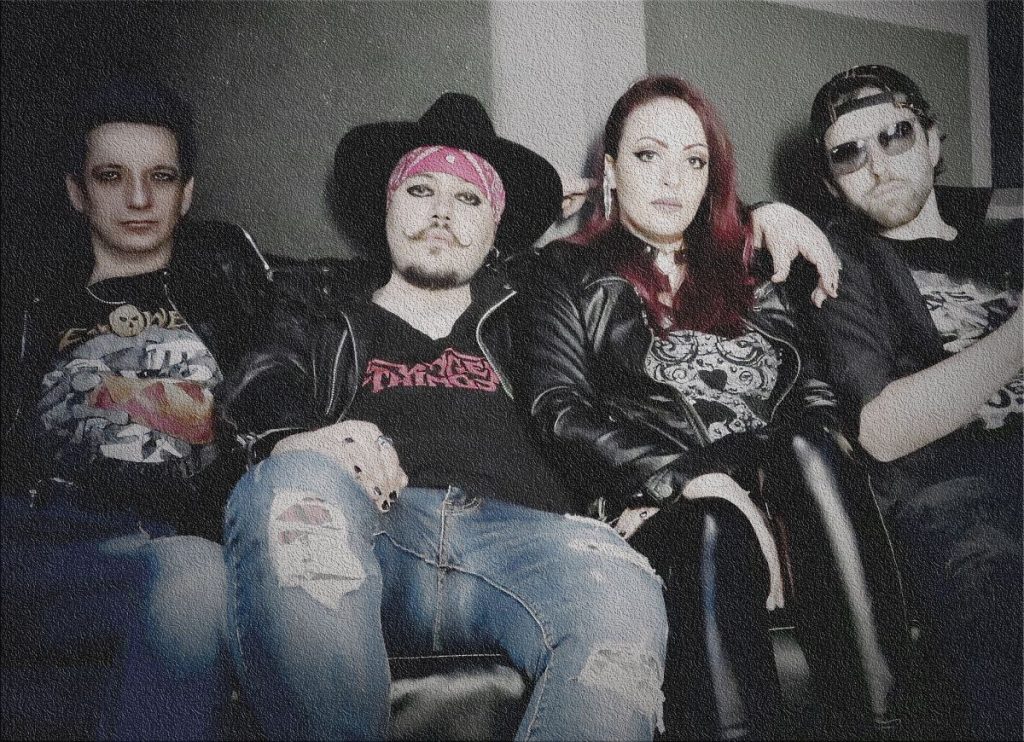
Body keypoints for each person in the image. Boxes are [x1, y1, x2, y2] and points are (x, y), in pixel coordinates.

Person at [218, 92, 669, 740]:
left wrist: (769, 220)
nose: (441, 213)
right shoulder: (316, 298)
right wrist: (303, 440)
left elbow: (671, 222)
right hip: (371, 527)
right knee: (295, 485)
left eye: (468, 199)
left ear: (496, 225)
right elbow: (262, 379)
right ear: (388, 204)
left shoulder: (534, 304)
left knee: (623, 586)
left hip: (527, 543)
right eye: (421, 190)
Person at [514, 75, 910, 739]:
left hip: (785, 494)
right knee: (712, 523)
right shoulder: (564, 271)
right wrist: (693, 478)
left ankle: (884, 725)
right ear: (611, 170)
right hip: (667, 505)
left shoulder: (754, 271)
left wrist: (763, 495)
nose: (672, 178)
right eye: (648, 155)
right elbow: (559, 408)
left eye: (693, 160)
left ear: (710, 178)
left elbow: (810, 394)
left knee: (812, 447)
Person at [0, 78, 272, 739]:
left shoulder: (232, 293)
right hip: (43, 538)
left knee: (194, 573)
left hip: (173, 539)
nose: (139, 199)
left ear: (187, 193)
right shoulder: (29, 298)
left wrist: (106, 388)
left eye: (161, 177)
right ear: (77, 191)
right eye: (111, 176)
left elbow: (254, 419)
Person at [805, 64, 1022, 740]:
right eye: (848, 153)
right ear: (832, 182)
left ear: (933, 141)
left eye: (895, 136)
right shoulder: (844, 271)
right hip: (966, 503)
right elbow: (884, 428)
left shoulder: (1009, 244)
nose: (876, 165)